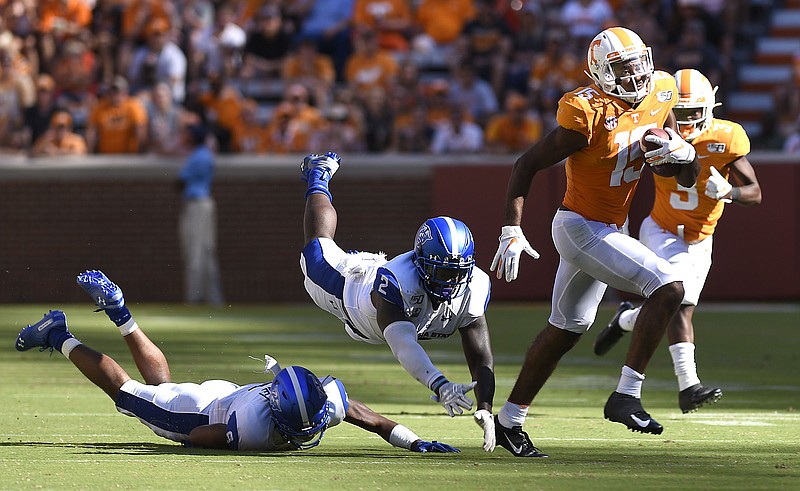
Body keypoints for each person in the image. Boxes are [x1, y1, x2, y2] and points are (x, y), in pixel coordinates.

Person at [489, 27, 700, 457]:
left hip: (610, 228)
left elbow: (678, 173)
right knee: (669, 287)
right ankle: (626, 394)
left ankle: (509, 421)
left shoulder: (661, 91)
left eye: (639, 63)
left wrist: (685, 157)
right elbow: (526, 164)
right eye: (623, 69)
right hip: (580, 226)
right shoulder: (586, 110)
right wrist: (512, 228)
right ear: (601, 73)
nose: (636, 75)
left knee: (566, 330)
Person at [14, 270, 458, 454]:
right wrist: (185, 439)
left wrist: (418, 442)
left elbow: (373, 421)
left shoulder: (320, 399)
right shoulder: (255, 426)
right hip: (212, 410)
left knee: (165, 390)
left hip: (224, 394)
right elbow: (201, 435)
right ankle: (59, 334)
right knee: (132, 396)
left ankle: (121, 315)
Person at [300, 151, 497, 452]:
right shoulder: (395, 283)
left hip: (383, 290)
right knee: (316, 248)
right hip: (348, 290)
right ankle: (318, 175)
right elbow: (405, 345)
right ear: (420, 262)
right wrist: (440, 385)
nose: (449, 281)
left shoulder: (476, 284)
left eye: (455, 272)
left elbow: (480, 352)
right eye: (440, 270)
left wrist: (485, 404)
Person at [592, 68, 762, 413]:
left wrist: (730, 191)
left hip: (702, 238)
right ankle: (689, 387)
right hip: (662, 229)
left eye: (692, 114)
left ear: (710, 107)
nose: (684, 124)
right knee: (680, 303)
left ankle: (627, 318)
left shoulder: (727, 137)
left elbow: (756, 193)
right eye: (679, 114)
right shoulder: (657, 134)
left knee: (674, 306)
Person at [178, 124, 224, 306]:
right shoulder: (205, 154)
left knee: (195, 252)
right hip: (204, 204)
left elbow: (180, 181)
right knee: (206, 251)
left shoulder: (198, 155)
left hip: (196, 204)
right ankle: (213, 298)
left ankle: (195, 297)